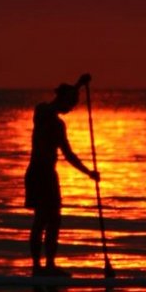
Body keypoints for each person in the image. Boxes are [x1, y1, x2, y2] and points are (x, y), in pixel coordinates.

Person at [24, 73, 99, 276]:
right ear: (62, 99)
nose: (71, 108)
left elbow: (68, 154)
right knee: (41, 219)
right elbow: (53, 107)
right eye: (71, 103)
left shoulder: (59, 125)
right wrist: (79, 85)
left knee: (55, 220)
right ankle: (37, 267)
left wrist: (89, 173)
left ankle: (49, 265)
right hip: (38, 172)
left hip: (50, 173)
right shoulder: (41, 111)